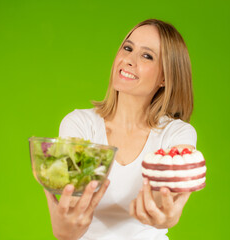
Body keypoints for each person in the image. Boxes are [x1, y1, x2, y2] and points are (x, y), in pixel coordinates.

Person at [44, 19, 198, 240]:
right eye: (128, 48)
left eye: (147, 56)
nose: (129, 60)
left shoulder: (176, 134)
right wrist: (65, 228)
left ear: (165, 77)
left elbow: (169, 196)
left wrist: (168, 212)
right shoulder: (79, 124)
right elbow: (72, 208)